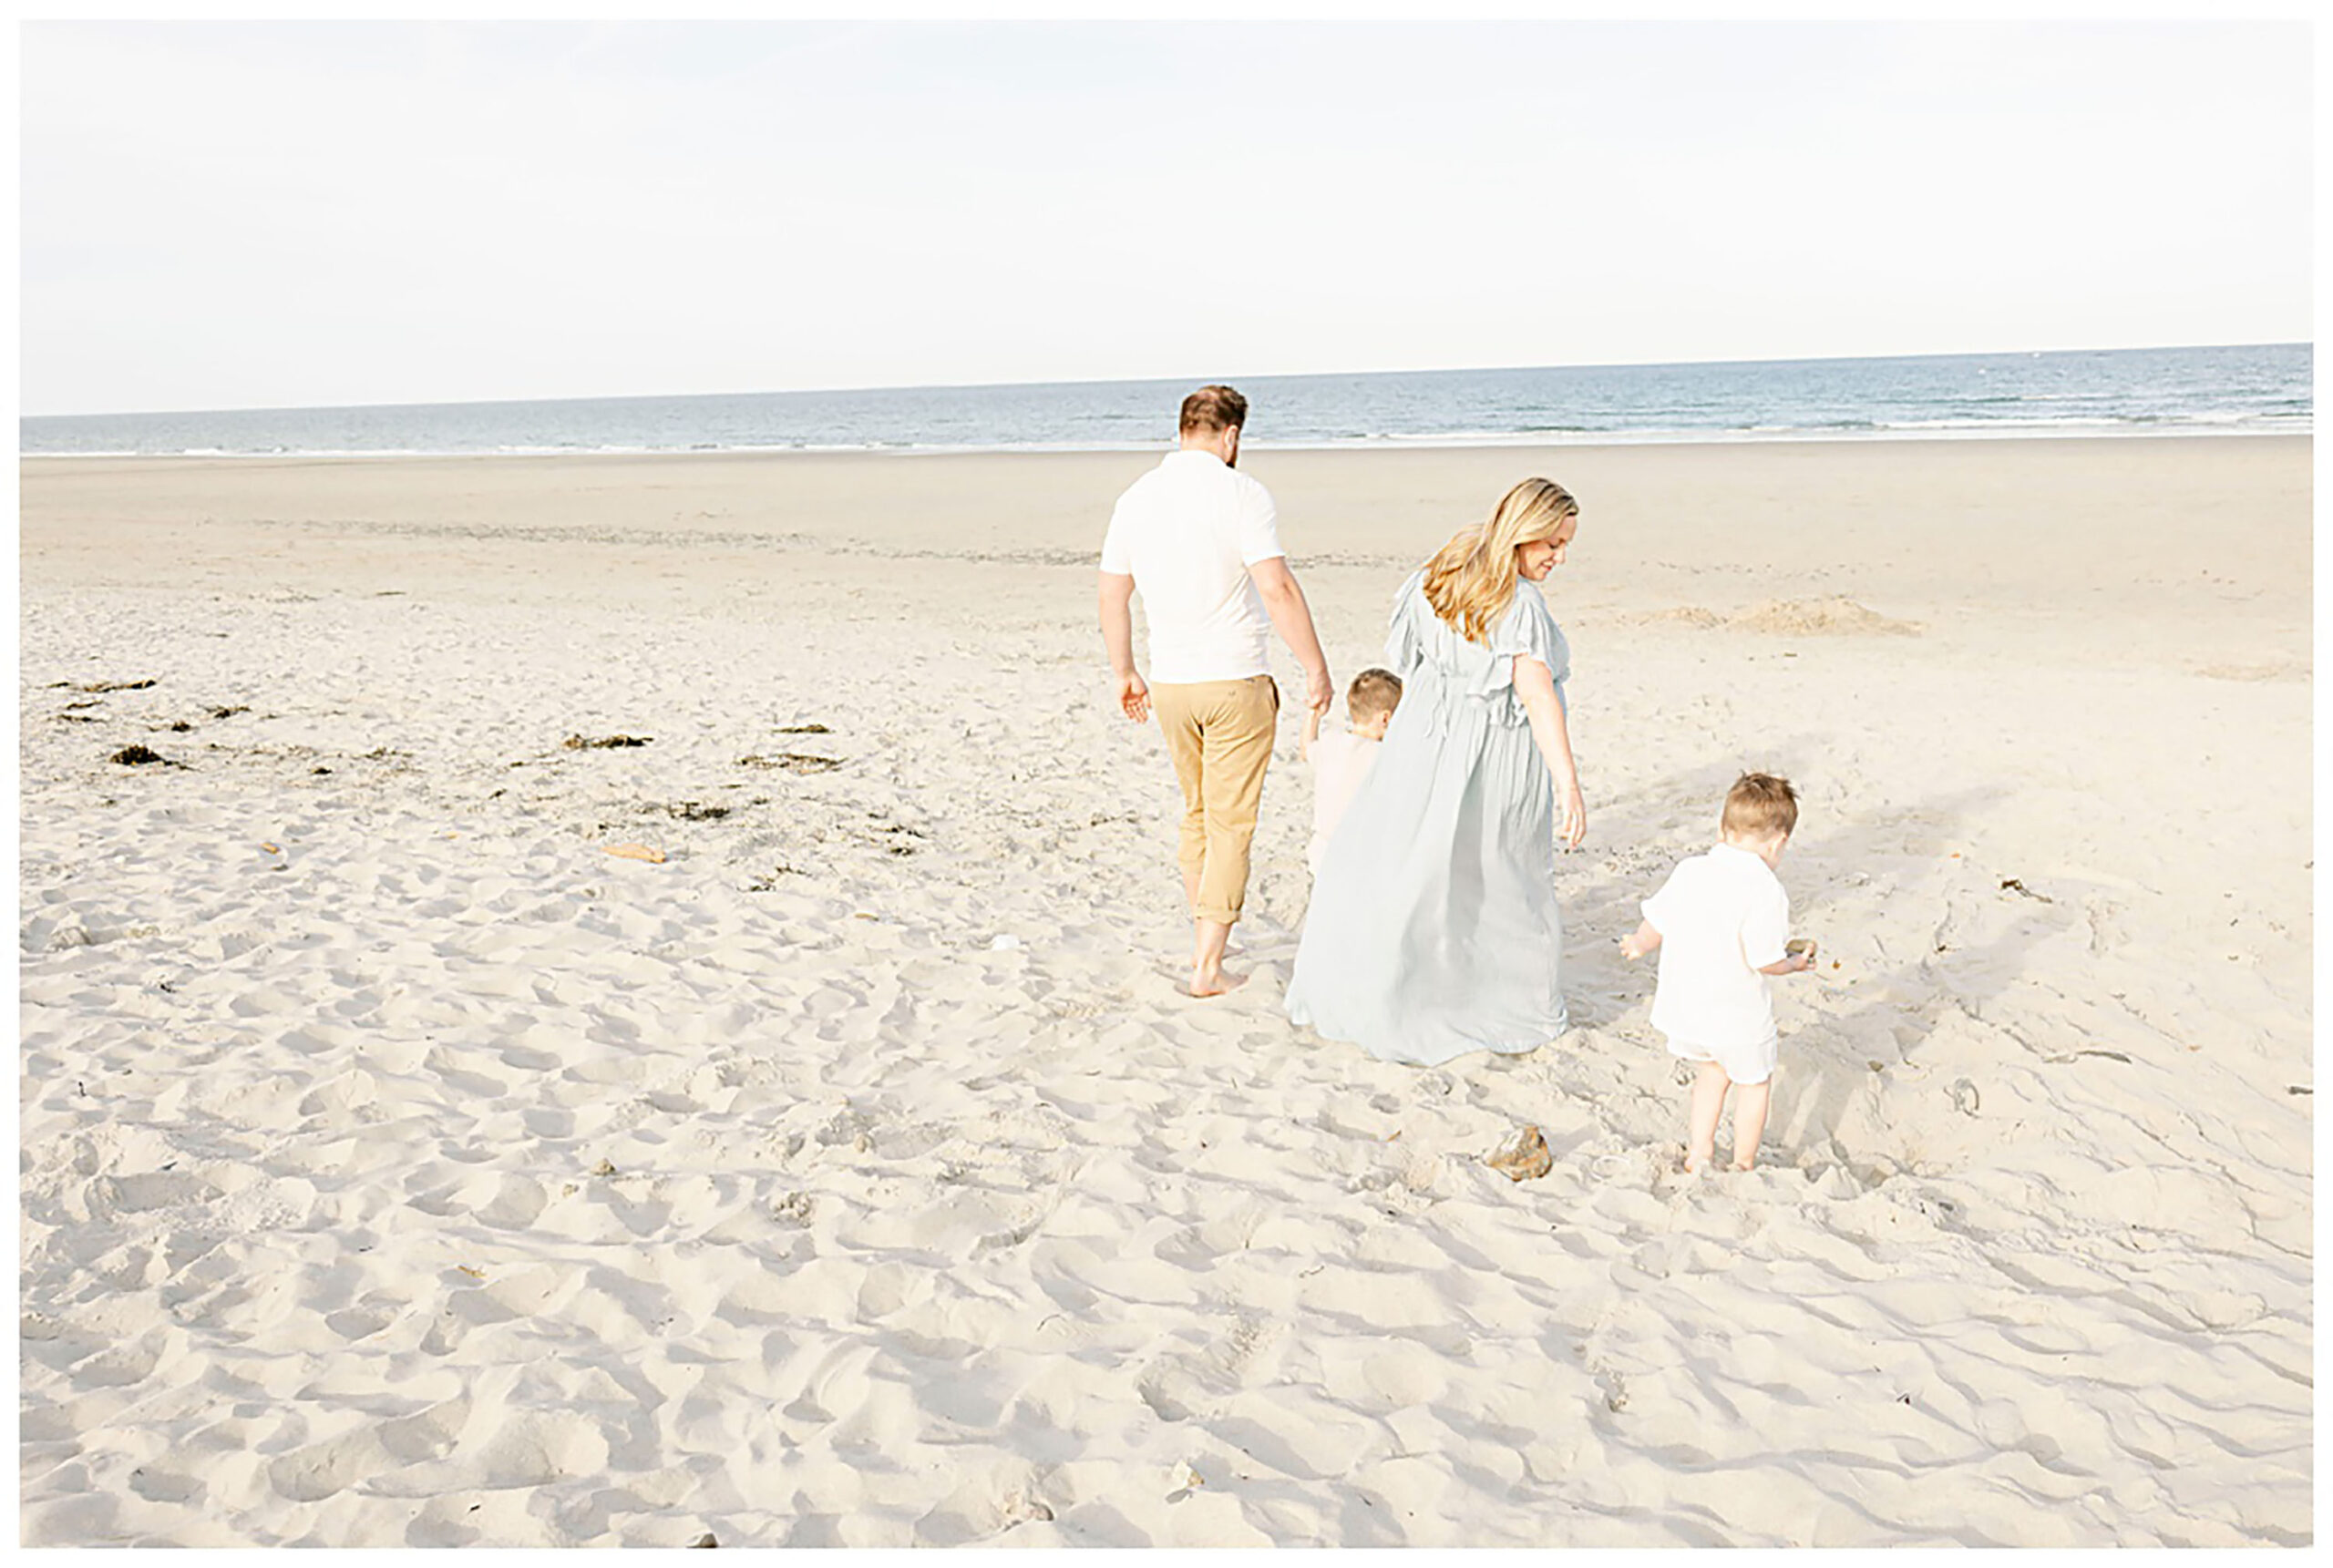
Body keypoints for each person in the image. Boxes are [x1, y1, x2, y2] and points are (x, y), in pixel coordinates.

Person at [1285, 477, 1586, 1066]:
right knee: (1499, 878)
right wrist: (1567, 778)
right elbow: (1536, 693)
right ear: (1521, 533)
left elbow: (1410, 658)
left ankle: (1395, 985)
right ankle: (1490, 1000)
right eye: (1551, 541)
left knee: (1418, 864)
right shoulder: (1519, 602)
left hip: (1423, 742)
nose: (1559, 556)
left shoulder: (1442, 573)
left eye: (1565, 543)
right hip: (1491, 751)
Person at [1098, 384, 1333, 998]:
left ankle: (1205, 935)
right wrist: (1314, 667)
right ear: (1230, 436)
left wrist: (1124, 670)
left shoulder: (1136, 497)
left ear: (1183, 430)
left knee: (1198, 813)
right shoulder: (1241, 492)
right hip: (1234, 679)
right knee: (1230, 823)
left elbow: (1111, 593)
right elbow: (1276, 586)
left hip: (1172, 683)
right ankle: (1207, 965)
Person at [1619, 773, 1815, 1173]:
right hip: (1736, 1015)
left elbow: (1657, 921)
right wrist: (1794, 963)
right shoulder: (1765, 889)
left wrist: (1637, 944)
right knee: (1754, 1084)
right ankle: (1743, 1163)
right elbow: (1764, 960)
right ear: (1779, 843)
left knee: (1710, 1075)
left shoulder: (1691, 870)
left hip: (1690, 1010)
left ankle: (1700, 1153)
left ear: (1722, 830)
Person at [1300, 668, 1402, 879]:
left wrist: (1314, 715)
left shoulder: (1331, 741)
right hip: (1356, 853)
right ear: (1386, 718)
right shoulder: (1381, 756)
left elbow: (1307, 749)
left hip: (1321, 850)